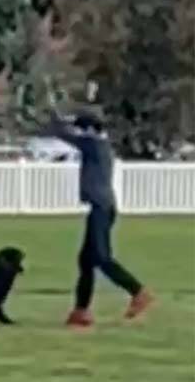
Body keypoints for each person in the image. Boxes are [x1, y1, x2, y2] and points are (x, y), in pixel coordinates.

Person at [47, 108, 154, 328]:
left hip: (100, 207)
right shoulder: (100, 144)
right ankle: (81, 312)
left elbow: (64, 134)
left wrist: (54, 118)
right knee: (86, 260)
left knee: (101, 258)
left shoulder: (93, 144)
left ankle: (138, 292)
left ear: (88, 129)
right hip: (103, 206)